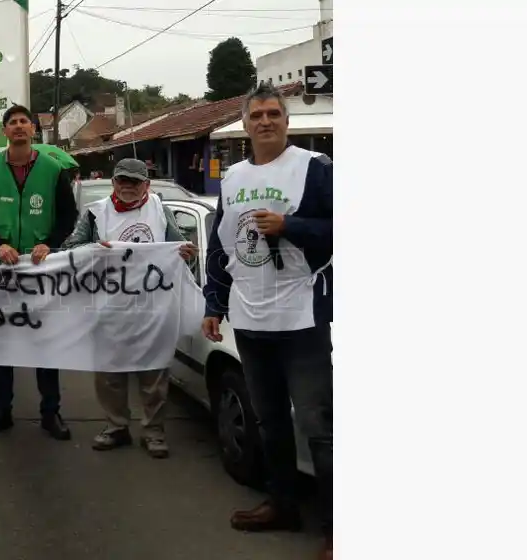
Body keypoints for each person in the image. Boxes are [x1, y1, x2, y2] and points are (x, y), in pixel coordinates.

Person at [202, 83, 333, 560]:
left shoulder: (315, 170)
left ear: (286, 121)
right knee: (271, 419)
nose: (265, 121)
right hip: (250, 318)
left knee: (319, 425)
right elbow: (222, 246)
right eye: (256, 115)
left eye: (273, 113)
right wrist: (214, 305)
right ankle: (283, 503)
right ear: (245, 123)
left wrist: (291, 226)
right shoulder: (232, 178)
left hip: (301, 318)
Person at [61, 158, 197, 458]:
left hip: (153, 308)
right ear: (114, 182)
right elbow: (70, 249)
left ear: (146, 185)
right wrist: (92, 250)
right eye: (122, 180)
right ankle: (116, 426)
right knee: (109, 374)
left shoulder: (160, 210)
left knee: (154, 374)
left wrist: (187, 251)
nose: (127, 187)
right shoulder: (95, 213)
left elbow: (179, 246)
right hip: (107, 308)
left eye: (134, 182)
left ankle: (154, 431)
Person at [0, 105, 78, 440]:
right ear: (5, 131)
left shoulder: (53, 169)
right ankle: (1, 410)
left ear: (34, 129)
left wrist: (49, 242)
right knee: (1, 341)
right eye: (12, 123)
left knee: (46, 340)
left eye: (23, 122)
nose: (18, 127)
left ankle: (51, 411)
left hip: (40, 268)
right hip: (1, 266)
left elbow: (67, 215)